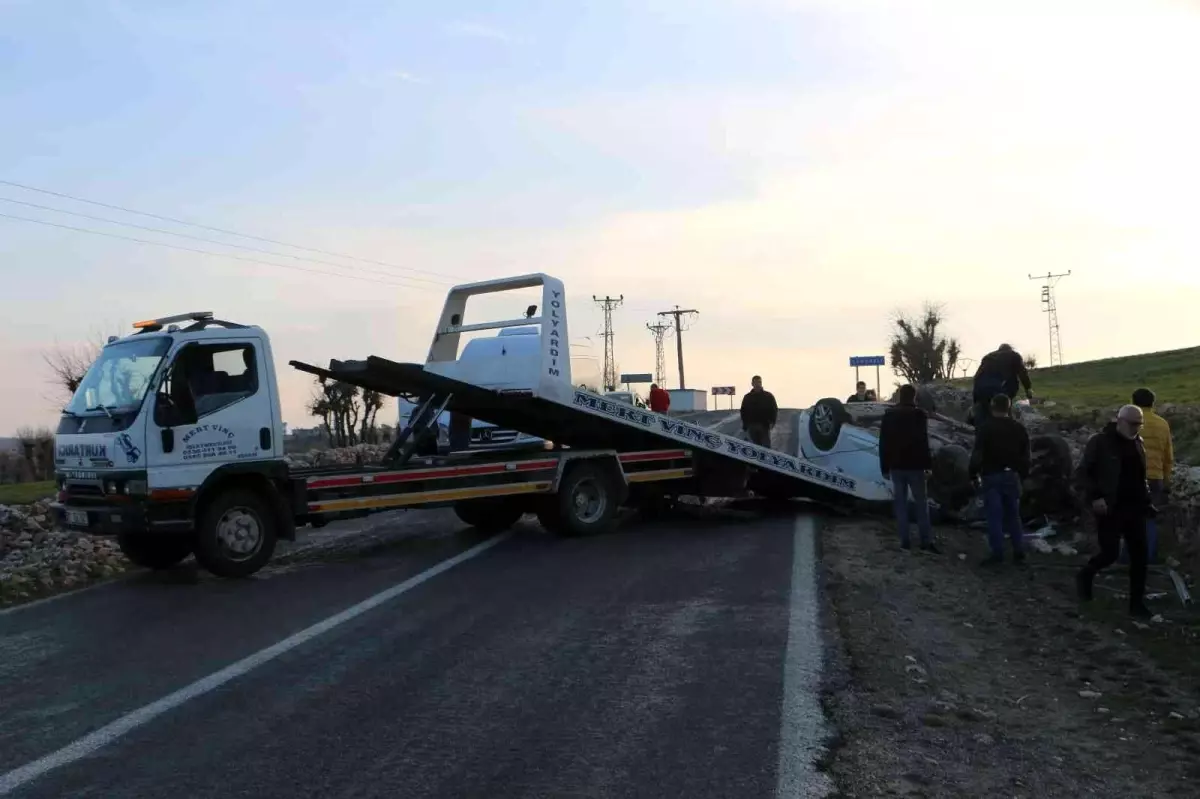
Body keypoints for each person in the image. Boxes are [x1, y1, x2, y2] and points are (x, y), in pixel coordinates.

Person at [1075, 404, 1157, 619]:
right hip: (1111, 508)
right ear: (1119, 421)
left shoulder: (1138, 443)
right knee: (1109, 553)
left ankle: (1136, 604)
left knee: (1140, 557)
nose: (1136, 428)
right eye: (1133, 424)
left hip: (1135, 508)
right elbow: (1082, 473)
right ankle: (1086, 575)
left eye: (1139, 424)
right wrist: (1095, 497)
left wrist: (1148, 502)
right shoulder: (1101, 442)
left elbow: (1141, 477)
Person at [969, 393, 1031, 566]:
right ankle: (1019, 552)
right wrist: (1023, 475)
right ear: (1008, 407)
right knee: (1013, 516)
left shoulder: (986, 428)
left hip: (991, 476)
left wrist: (972, 474)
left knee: (994, 517)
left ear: (992, 406)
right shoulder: (1018, 428)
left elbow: (977, 454)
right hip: (1012, 476)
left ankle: (997, 554)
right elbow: (1026, 455)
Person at [879, 384, 939, 552]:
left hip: (896, 466)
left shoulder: (889, 415)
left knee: (901, 504)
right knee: (921, 504)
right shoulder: (919, 415)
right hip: (916, 466)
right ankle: (925, 541)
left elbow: (883, 443)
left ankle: (905, 541)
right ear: (914, 397)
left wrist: (884, 467)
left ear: (899, 396)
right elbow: (923, 442)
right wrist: (928, 465)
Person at [1126, 388, 1172, 564]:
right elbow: (1168, 456)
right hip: (1156, 477)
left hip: (1132, 476)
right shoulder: (1163, 424)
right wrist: (1166, 479)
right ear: (1153, 403)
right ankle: (1148, 557)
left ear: (1133, 402)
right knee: (1149, 518)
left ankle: (1127, 557)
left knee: (1128, 517)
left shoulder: (1130, 421)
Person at [971, 343, 1033, 427]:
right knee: (1003, 414)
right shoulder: (1013, 356)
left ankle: (981, 434)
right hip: (997, 388)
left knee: (983, 416)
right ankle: (1008, 431)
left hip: (980, 389)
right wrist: (1028, 389)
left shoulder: (988, 357)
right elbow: (1022, 373)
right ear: (1010, 349)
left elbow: (977, 377)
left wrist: (975, 400)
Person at [740, 375, 778, 448]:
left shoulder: (768, 396)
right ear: (752, 384)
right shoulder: (747, 397)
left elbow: (774, 409)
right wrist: (745, 424)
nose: (757, 384)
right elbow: (743, 411)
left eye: (759, 382)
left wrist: (772, 421)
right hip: (751, 426)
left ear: (761, 383)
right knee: (754, 448)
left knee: (766, 448)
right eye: (756, 382)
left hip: (764, 425)